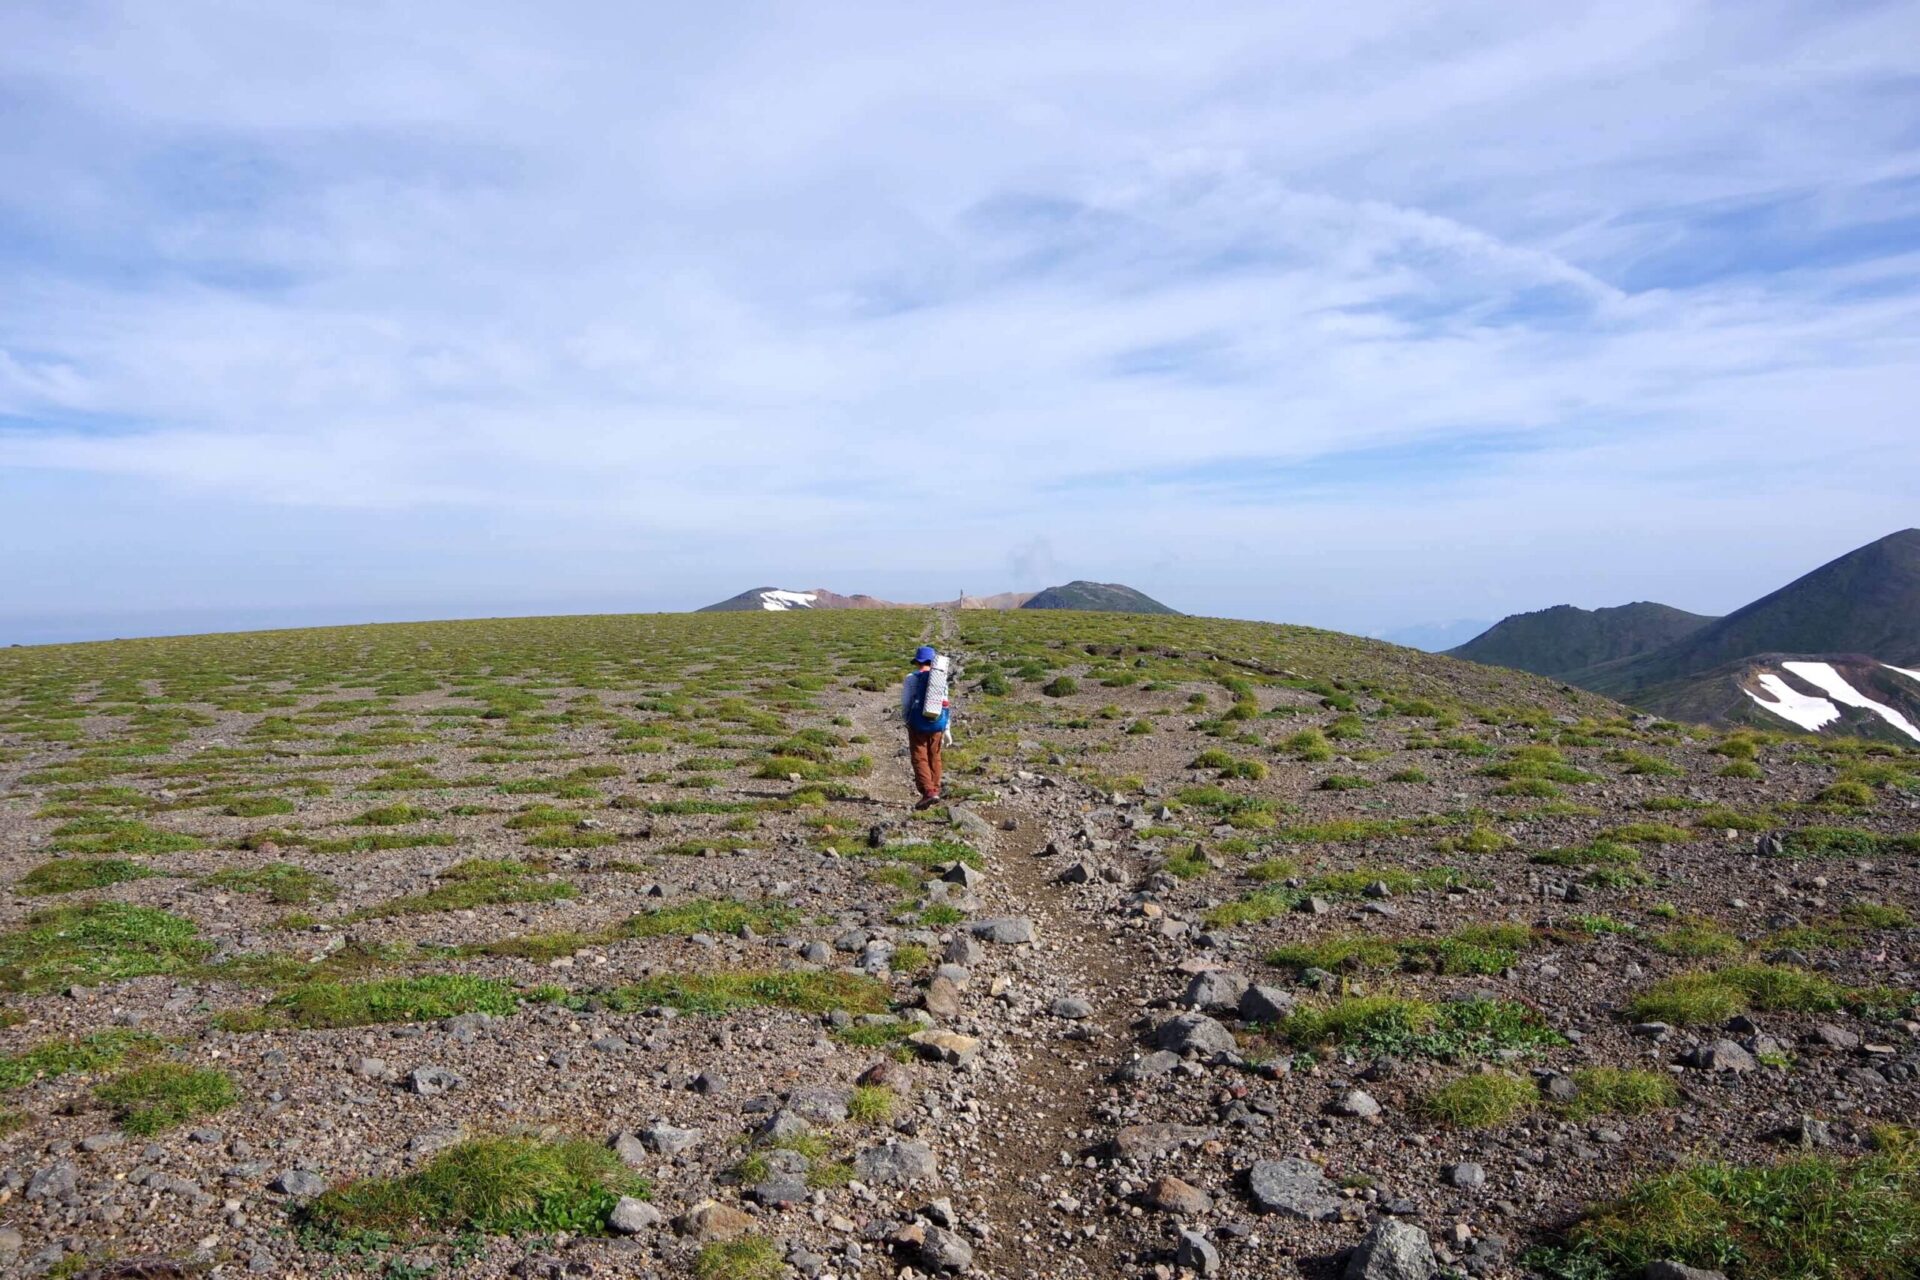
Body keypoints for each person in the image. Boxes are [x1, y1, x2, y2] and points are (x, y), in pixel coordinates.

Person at [901, 644, 951, 809]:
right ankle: (935, 789)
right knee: (934, 756)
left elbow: (906, 703)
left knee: (919, 757)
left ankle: (928, 792)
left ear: (917, 662)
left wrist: (906, 720)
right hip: (938, 723)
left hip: (917, 723)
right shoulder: (940, 678)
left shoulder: (911, 678)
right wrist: (948, 728)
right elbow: (945, 705)